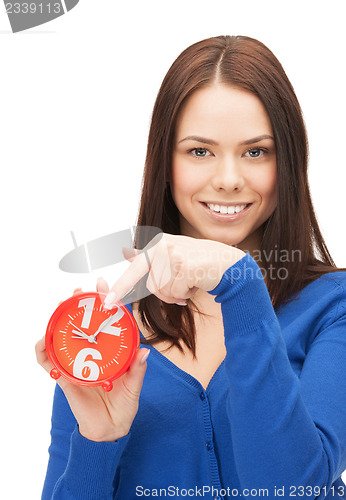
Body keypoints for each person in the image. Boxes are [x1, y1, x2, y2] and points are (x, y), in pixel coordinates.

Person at [36, 35, 346, 499]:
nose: (227, 179)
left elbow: (295, 490)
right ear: (166, 163)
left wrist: (239, 281)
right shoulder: (102, 334)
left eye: (256, 151)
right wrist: (97, 441)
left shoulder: (333, 309)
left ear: (290, 161)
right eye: (199, 151)